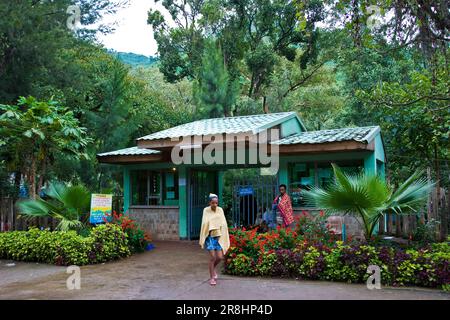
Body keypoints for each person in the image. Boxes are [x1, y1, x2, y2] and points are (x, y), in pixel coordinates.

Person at [199, 193, 230, 286]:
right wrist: (213, 224)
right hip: (210, 237)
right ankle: (212, 277)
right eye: (213, 203)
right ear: (209, 203)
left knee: (220, 257)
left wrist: (220, 228)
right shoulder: (206, 210)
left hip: (219, 236)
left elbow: (223, 223)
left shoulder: (220, 210)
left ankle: (212, 269)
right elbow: (205, 223)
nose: (215, 205)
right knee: (213, 257)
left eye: (216, 203)